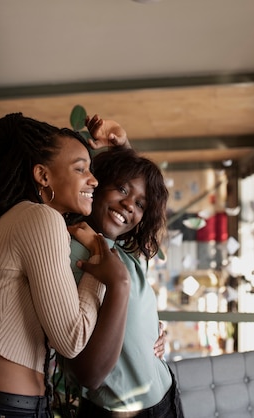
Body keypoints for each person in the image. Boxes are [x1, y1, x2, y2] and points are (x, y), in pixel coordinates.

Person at [0, 112, 131, 418]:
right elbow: (72, 339)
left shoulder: (23, 217)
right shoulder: (40, 218)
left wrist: (123, 148)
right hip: (3, 409)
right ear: (43, 175)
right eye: (81, 169)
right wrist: (100, 268)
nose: (94, 180)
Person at [61, 115, 183, 417]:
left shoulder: (121, 250)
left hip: (166, 393)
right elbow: (88, 373)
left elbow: (134, 191)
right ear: (96, 186)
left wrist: (122, 144)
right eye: (122, 190)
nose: (130, 205)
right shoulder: (71, 251)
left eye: (140, 206)